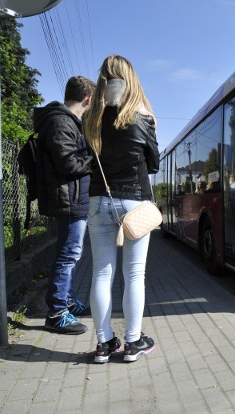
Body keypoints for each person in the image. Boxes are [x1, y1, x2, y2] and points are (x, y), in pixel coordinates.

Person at [83, 55, 160, 363]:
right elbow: (153, 163)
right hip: (133, 203)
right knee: (134, 274)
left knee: (101, 273)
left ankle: (103, 345)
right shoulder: (141, 116)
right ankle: (132, 342)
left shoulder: (91, 117)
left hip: (98, 200)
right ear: (131, 79)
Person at [34, 76, 95, 335]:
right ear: (88, 99)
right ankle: (57, 313)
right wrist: (94, 157)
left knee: (71, 253)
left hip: (72, 198)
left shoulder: (67, 122)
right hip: (68, 200)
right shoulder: (62, 122)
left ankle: (67, 303)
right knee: (68, 256)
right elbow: (67, 163)